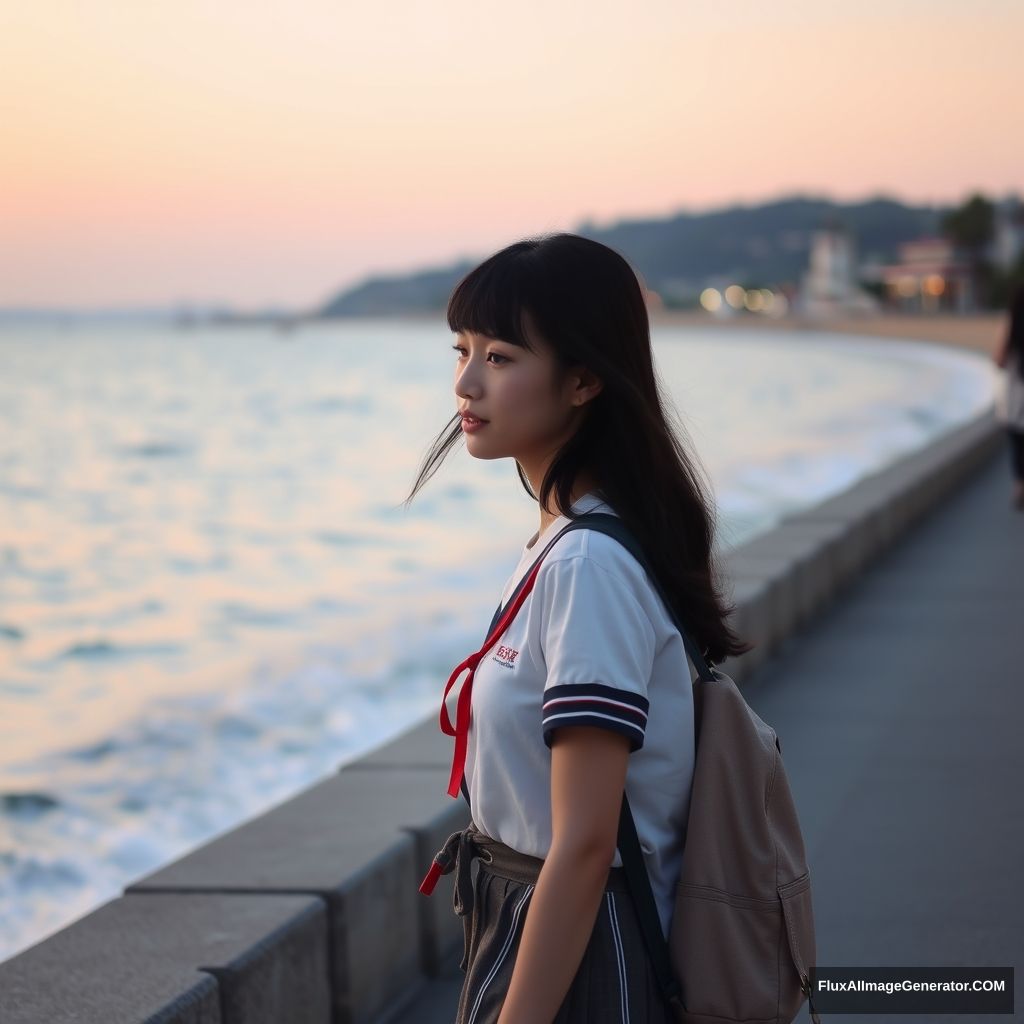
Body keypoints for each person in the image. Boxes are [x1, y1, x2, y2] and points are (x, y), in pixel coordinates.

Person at [404, 233, 750, 1024]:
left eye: (500, 357)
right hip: (532, 930)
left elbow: (585, 842)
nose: (464, 382)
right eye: (462, 350)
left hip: (585, 958)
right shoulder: (571, 540)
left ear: (584, 380)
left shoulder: (587, 565)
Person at [993, 281, 1024, 510]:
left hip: (1018, 395)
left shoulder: (1012, 324)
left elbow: (999, 360)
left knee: (1018, 441)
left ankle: (1020, 486)